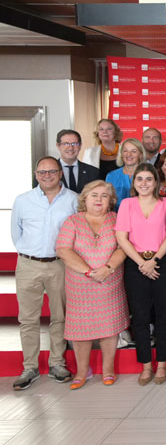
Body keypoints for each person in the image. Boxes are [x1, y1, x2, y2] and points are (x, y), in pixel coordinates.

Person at [10, 157, 78, 390]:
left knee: (60, 316)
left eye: (51, 171)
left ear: (60, 173)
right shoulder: (23, 200)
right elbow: (16, 233)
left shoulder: (73, 200)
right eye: (42, 172)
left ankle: (57, 363)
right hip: (28, 264)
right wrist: (30, 253)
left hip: (60, 264)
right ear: (36, 174)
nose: (46, 176)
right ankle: (29, 367)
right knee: (28, 319)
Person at [56, 180, 128, 389]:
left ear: (111, 200)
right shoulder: (72, 221)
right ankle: (82, 371)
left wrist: (107, 268)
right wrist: (88, 271)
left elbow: (124, 247)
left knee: (109, 328)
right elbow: (63, 249)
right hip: (80, 285)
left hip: (109, 282)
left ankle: (108, 370)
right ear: (84, 199)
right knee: (81, 330)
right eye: (94, 195)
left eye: (104, 196)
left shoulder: (117, 219)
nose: (99, 199)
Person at [114, 163, 166, 386]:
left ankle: (162, 364)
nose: (144, 183)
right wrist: (142, 263)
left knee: (164, 315)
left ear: (156, 182)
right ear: (134, 183)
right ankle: (146, 365)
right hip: (136, 264)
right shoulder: (127, 204)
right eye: (139, 179)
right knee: (140, 317)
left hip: (162, 262)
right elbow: (121, 238)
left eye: (149, 179)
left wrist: (154, 261)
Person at [105, 138, 145, 211]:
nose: (128, 154)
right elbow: (107, 201)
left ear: (140, 155)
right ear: (121, 154)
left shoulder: (147, 175)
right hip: (116, 216)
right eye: (125, 151)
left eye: (133, 151)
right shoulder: (111, 176)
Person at [55, 129, 99, 194]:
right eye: (66, 144)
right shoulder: (48, 172)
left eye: (75, 144)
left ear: (80, 146)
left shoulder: (93, 172)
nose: (70, 148)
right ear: (58, 146)